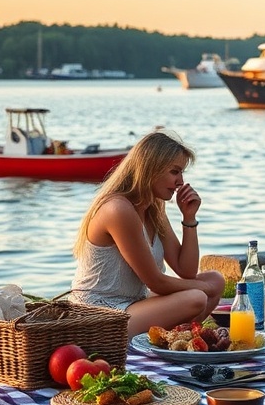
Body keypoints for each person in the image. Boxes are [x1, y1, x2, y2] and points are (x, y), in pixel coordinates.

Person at [71, 130, 225, 337]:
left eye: (182, 173)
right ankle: (171, 338)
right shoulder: (118, 209)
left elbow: (185, 270)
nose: (181, 181)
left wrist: (189, 219)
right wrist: (204, 288)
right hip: (99, 314)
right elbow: (156, 282)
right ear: (151, 169)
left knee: (216, 279)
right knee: (196, 298)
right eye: (175, 171)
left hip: (135, 304)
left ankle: (175, 338)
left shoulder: (153, 208)